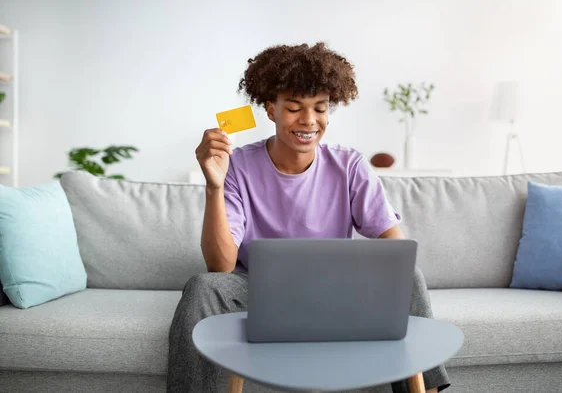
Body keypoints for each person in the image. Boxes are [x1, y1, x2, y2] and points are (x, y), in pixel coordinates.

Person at [167, 42, 450, 393]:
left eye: (320, 108)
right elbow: (221, 265)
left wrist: (378, 272)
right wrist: (214, 185)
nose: (308, 121)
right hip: (258, 290)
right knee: (202, 286)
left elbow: (396, 246)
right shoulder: (237, 165)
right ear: (271, 109)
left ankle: (427, 390)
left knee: (410, 275)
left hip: (337, 292)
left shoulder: (349, 165)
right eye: (294, 108)